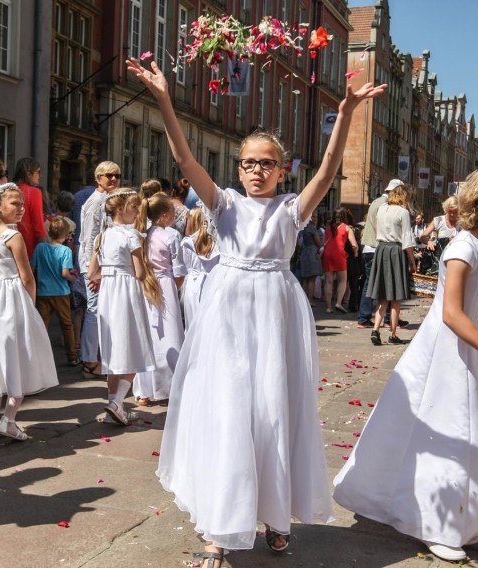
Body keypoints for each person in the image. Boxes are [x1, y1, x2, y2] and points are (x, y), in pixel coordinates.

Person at [127, 56, 386, 566]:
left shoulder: (293, 208)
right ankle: (220, 530)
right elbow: (184, 162)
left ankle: (275, 516)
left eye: (267, 162)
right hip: (227, 312)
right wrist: (163, 99)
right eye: (249, 162)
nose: (256, 171)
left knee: (274, 410)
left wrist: (348, 114)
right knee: (228, 411)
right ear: (238, 167)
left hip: (275, 313)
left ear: (282, 168)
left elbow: (331, 169)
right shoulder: (222, 204)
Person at [334, 167, 478, 562]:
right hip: (447, 351)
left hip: (474, 350)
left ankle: (466, 514)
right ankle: (434, 523)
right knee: (448, 431)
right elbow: (452, 314)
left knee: (474, 432)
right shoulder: (461, 249)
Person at [0, 183, 59, 441]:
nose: (21, 208)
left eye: (22, 204)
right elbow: (27, 276)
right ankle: (9, 419)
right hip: (11, 300)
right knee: (19, 357)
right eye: (15, 203)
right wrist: (30, 307)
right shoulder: (13, 236)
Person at [91, 190, 156, 425]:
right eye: (134, 208)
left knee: (112, 346)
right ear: (120, 209)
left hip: (109, 292)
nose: (137, 212)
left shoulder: (103, 236)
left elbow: (91, 273)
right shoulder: (131, 237)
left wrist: (106, 276)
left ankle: (113, 403)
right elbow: (139, 272)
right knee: (132, 344)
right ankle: (116, 402)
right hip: (126, 290)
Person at [132, 193, 186, 406]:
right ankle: (170, 387)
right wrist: (174, 288)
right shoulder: (171, 235)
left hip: (145, 283)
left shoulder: (140, 234)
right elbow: (179, 271)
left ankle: (143, 389)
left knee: (147, 335)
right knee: (169, 336)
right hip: (165, 285)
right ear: (165, 215)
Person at [77, 161, 121, 379]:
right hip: (94, 264)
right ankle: (88, 360)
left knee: (100, 310)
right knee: (94, 311)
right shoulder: (95, 202)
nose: (113, 179)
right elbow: (88, 239)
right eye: (109, 175)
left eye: (116, 175)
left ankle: (97, 357)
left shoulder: (107, 200)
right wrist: (90, 270)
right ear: (98, 178)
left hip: (103, 263)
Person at [367, 184, 416, 345]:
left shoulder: (381, 209)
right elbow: (407, 238)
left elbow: (375, 228)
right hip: (396, 250)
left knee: (383, 296)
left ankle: (375, 329)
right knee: (396, 297)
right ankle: (393, 334)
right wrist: (412, 260)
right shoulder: (403, 212)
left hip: (382, 249)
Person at [31, 216, 79, 366]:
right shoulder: (65, 251)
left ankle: (39, 356)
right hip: (61, 292)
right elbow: (65, 273)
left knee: (42, 325)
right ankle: (72, 356)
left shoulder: (40, 248)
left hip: (43, 292)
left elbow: (32, 268)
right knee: (66, 324)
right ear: (66, 235)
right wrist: (75, 279)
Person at [356, 179, 403, 328]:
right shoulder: (385, 205)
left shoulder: (376, 202)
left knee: (370, 283)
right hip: (379, 247)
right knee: (385, 284)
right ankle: (375, 317)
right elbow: (382, 227)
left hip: (369, 247)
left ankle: (375, 317)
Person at [181, 205, 219, 328]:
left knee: (192, 323)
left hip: (192, 286)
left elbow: (184, 267)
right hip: (214, 284)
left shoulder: (187, 243)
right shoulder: (219, 243)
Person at [321, 207, 358, 313]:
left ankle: (328, 307)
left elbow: (323, 242)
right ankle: (338, 302)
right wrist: (355, 254)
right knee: (342, 280)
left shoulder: (328, 228)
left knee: (328, 281)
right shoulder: (347, 228)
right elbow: (354, 245)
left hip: (327, 255)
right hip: (339, 255)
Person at [12, 157, 48, 259]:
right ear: (28, 174)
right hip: (29, 246)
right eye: (38, 172)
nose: (40, 175)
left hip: (9, 243)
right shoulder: (34, 192)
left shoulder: (9, 189)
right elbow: (39, 226)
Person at [297, 210, 323, 304]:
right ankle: (310, 300)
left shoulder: (304, 227)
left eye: (316, 217)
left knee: (305, 279)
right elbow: (318, 242)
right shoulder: (312, 228)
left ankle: (304, 300)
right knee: (312, 278)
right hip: (312, 252)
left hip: (304, 252)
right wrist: (322, 243)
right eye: (313, 217)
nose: (315, 219)